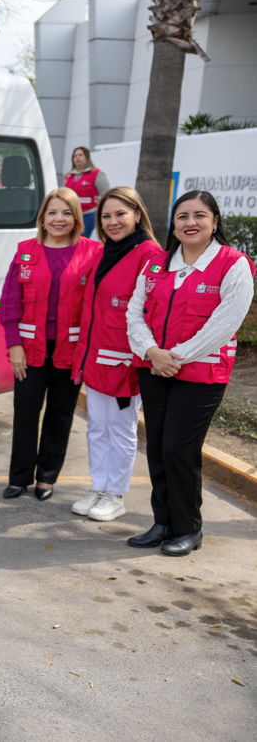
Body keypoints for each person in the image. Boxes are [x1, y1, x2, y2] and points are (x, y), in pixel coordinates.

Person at [126, 191, 255, 556]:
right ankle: (162, 522)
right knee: (157, 449)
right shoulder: (157, 264)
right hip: (154, 367)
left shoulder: (234, 265)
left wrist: (175, 357)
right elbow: (135, 313)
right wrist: (152, 352)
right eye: (182, 216)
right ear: (174, 224)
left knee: (178, 448)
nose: (190, 222)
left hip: (200, 374)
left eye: (200, 215)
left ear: (215, 221)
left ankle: (188, 528)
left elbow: (224, 325)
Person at [0, 188, 101, 500]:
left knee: (61, 413)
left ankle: (46, 477)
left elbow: (93, 306)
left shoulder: (93, 252)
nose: (59, 219)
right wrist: (13, 344)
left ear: (76, 219)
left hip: (70, 351)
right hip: (30, 351)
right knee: (26, 411)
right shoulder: (25, 251)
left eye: (67, 213)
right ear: (42, 218)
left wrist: (86, 353)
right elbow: (9, 303)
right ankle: (19, 477)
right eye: (53, 213)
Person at [71, 187, 162, 522]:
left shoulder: (149, 254)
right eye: (106, 216)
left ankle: (116, 494)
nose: (112, 222)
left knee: (120, 428)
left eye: (120, 214)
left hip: (125, 360)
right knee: (96, 426)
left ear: (137, 214)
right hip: (95, 356)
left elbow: (149, 312)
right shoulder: (103, 252)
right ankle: (99, 487)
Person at [64, 147, 110, 238]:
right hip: (71, 214)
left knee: (80, 241)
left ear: (87, 157)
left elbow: (106, 195)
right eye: (75, 156)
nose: (77, 158)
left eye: (80, 155)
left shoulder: (96, 173)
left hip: (88, 214)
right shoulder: (69, 175)